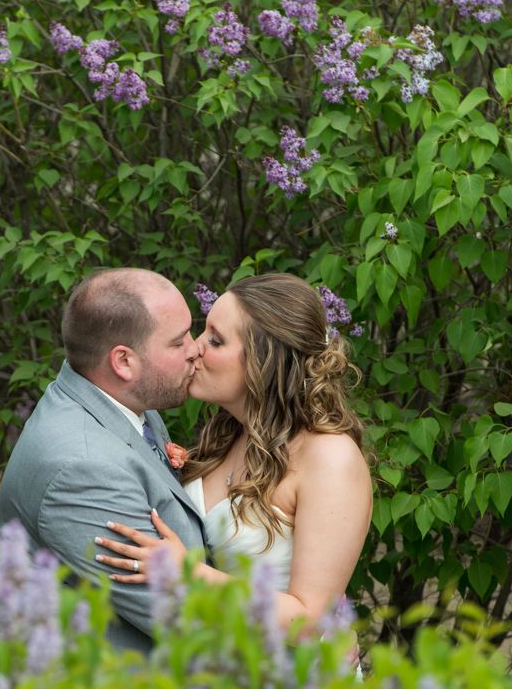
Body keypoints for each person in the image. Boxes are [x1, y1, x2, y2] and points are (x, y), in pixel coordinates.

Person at [92, 273, 372, 642]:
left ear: (265, 360)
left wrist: (189, 574)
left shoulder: (330, 459)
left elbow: (307, 623)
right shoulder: (226, 439)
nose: (195, 349)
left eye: (216, 340)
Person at [0, 267, 207, 653]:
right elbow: (184, 618)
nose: (196, 349)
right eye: (178, 343)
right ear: (123, 362)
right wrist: (304, 630)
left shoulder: (119, 402)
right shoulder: (83, 468)